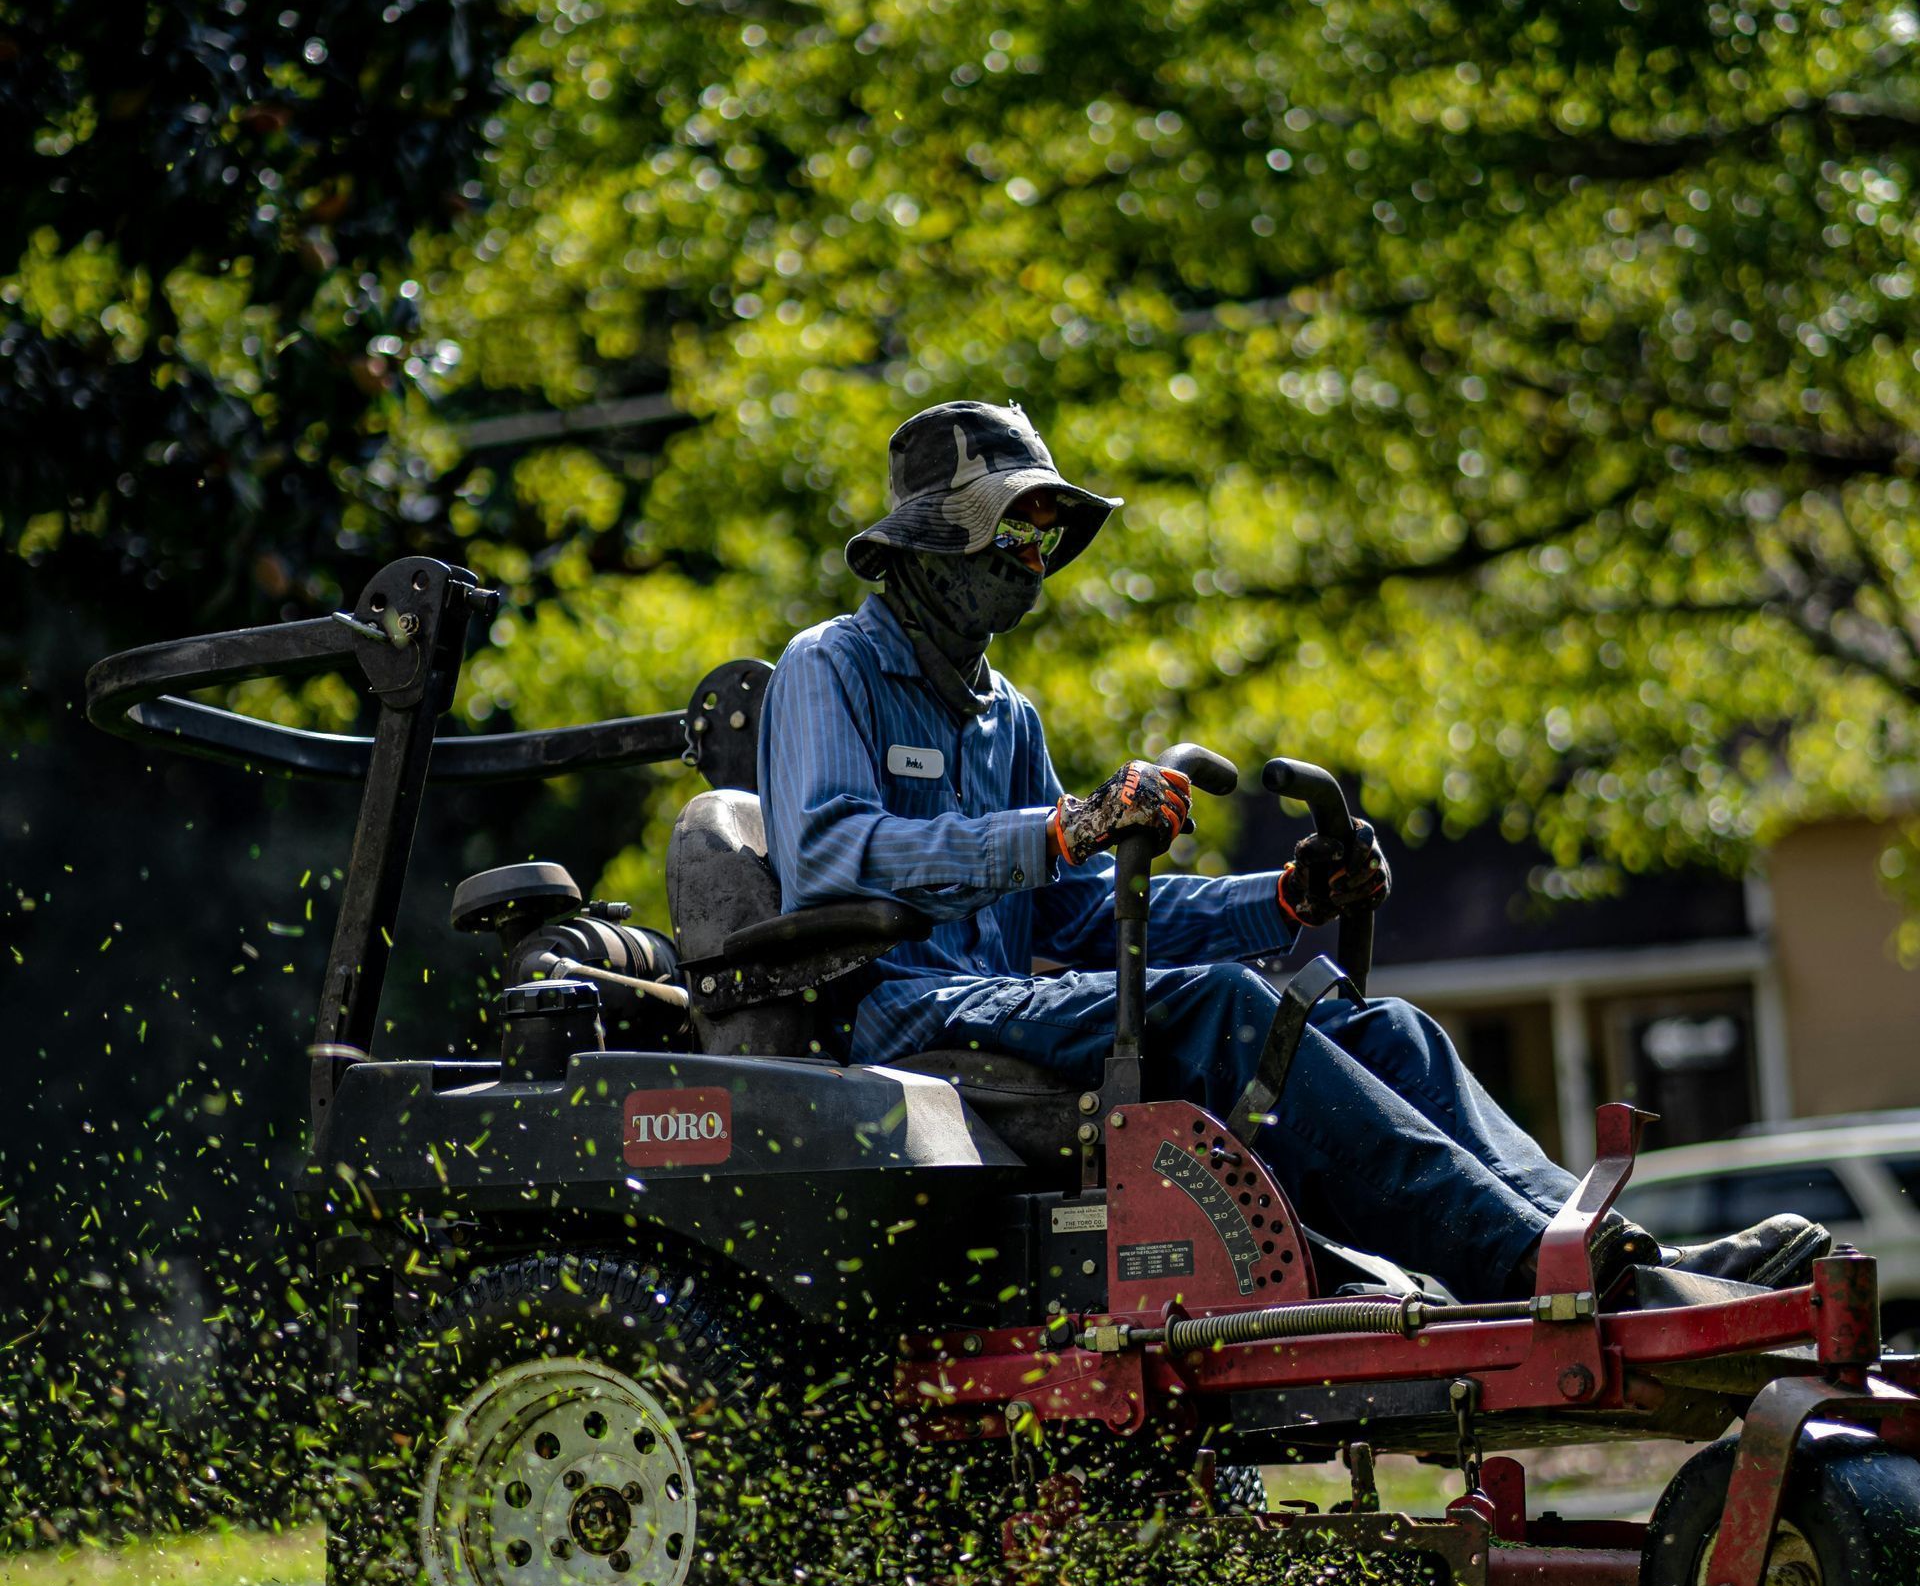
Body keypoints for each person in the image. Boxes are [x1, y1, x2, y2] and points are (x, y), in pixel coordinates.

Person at [759, 399, 1828, 1302]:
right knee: (1228, 1005)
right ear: (931, 545)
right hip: (908, 1018)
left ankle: (1608, 1249)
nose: (1033, 561)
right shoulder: (830, 667)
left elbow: (1083, 916)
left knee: (1382, 1026)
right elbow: (830, 853)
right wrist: (1063, 825)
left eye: (1045, 536)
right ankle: (1554, 1280)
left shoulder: (1010, 714)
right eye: (1011, 532)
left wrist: (1279, 898)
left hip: (1007, 1006)